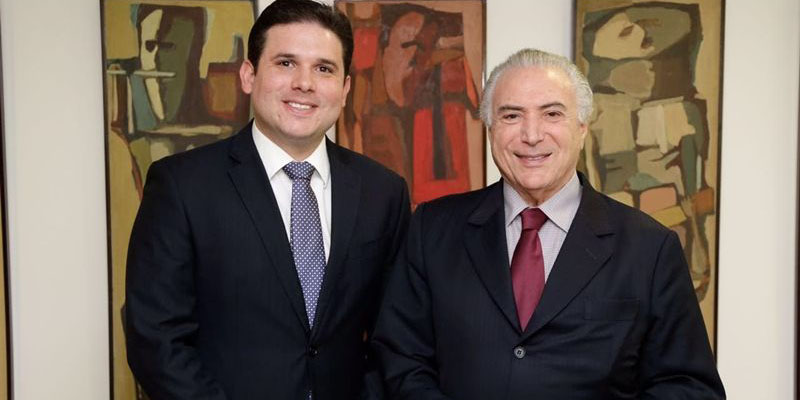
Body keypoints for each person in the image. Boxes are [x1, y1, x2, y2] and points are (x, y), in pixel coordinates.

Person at [372, 48, 725, 399]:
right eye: (512, 116)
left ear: (582, 128)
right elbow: (401, 358)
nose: (531, 135)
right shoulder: (432, 229)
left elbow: (690, 387)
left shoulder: (650, 248)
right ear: (491, 129)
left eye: (552, 114)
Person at [124, 1, 410, 399]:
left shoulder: (383, 192)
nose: (304, 83)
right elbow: (155, 338)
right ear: (249, 75)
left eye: (324, 68)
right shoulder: (182, 186)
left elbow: (396, 335)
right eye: (286, 63)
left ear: (345, 89)